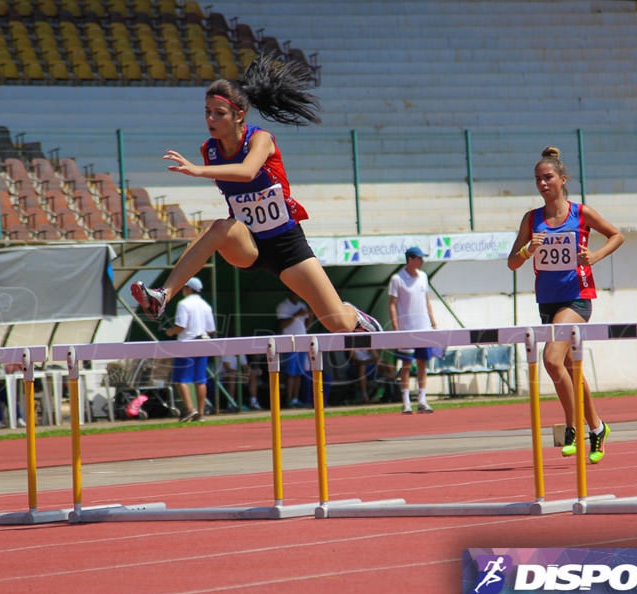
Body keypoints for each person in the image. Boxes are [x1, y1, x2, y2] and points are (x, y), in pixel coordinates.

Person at [130, 54, 381, 337]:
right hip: (249, 243)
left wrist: (198, 171)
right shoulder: (209, 151)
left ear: (238, 115)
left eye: (219, 113)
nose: (210, 119)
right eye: (207, 112)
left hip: (287, 246)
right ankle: (162, 296)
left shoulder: (261, 139)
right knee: (219, 228)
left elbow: (249, 172)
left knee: (338, 324)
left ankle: (356, 315)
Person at [507, 146, 624, 464]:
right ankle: (598, 428)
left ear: (562, 179)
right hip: (547, 300)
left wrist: (594, 256)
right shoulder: (531, 219)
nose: (542, 184)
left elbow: (616, 235)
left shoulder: (580, 213)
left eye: (547, 178)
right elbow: (512, 263)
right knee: (570, 368)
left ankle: (571, 426)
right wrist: (528, 250)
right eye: (538, 180)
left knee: (551, 359)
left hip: (577, 297)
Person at [388, 246, 438, 414]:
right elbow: (392, 304)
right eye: (419, 258)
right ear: (410, 259)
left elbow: (427, 301)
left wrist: (433, 322)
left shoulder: (423, 277)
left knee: (423, 364)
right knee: (406, 365)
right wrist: (396, 327)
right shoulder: (397, 279)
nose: (422, 261)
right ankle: (406, 402)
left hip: (423, 328)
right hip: (406, 329)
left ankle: (422, 401)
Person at [164, 277, 216, 421]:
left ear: (189, 289)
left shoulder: (183, 304)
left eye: (184, 287)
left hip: (186, 344)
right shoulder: (206, 305)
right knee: (200, 380)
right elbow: (210, 329)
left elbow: (181, 327)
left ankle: (189, 410)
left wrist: (170, 331)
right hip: (203, 342)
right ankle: (201, 413)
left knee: (180, 379)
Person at [276, 290, 311, 407]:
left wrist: (311, 316)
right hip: (289, 342)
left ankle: (295, 399)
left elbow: (306, 326)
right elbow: (282, 325)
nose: (298, 296)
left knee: (299, 373)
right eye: (296, 294)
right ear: (290, 294)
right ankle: (288, 399)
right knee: (290, 373)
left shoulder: (302, 305)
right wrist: (296, 315)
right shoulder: (283, 306)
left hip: (302, 342)